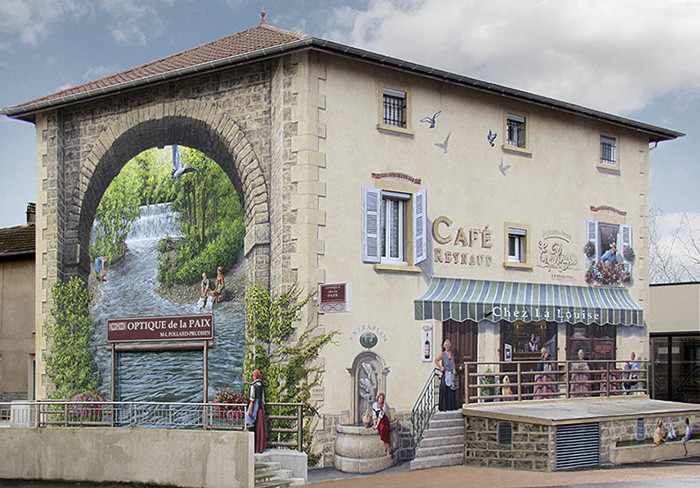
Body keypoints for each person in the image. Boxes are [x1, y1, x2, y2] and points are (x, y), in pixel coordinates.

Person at [245, 370, 267, 453]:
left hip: (255, 408)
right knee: (260, 427)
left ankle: (255, 447)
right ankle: (260, 447)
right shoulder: (261, 385)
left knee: (252, 425)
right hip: (260, 408)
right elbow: (263, 399)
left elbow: (252, 399)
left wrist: (250, 410)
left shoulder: (253, 386)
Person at [435, 339, 458, 411]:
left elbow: (453, 362)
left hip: (451, 373)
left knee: (452, 389)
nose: (447, 346)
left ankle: (451, 406)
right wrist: (441, 367)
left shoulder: (452, 354)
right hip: (446, 373)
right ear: (444, 346)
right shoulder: (443, 354)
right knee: (445, 390)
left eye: (448, 345)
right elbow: (436, 360)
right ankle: (444, 407)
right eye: (446, 345)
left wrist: (454, 369)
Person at [372, 392, 391, 459]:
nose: (381, 400)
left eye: (382, 398)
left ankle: (388, 451)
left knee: (383, 429)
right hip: (378, 420)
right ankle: (384, 444)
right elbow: (374, 415)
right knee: (381, 430)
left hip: (383, 420)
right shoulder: (375, 404)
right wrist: (374, 424)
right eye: (380, 398)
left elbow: (380, 416)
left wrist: (377, 425)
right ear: (378, 398)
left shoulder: (384, 406)